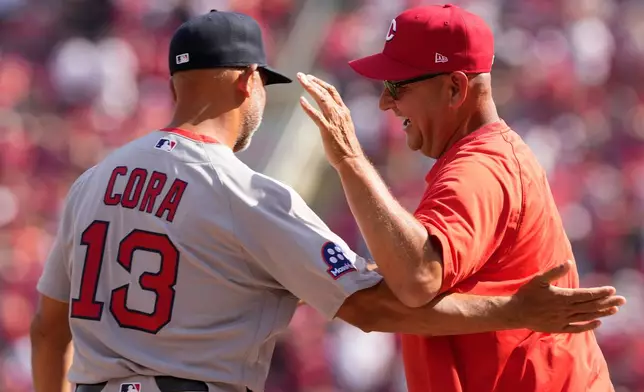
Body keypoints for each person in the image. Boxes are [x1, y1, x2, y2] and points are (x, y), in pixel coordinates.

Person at [30, 9, 625, 392]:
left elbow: (47, 332)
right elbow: (378, 306)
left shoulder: (93, 182)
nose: (386, 103)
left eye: (396, 86)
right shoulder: (248, 194)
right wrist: (513, 312)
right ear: (248, 82)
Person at [297, 4, 621, 392]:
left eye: (399, 86)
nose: (385, 102)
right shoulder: (488, 157)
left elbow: (418, 278)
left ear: (455, 88)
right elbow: (416, 294)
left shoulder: (480, 169)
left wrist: (350, 161)